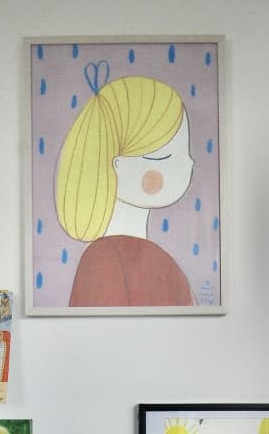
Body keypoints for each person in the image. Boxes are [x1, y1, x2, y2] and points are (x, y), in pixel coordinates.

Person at [55, 66, 195, 307]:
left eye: (185, 153)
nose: (190, 163)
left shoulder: (149, 258)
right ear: (118, 165)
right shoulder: (106, 259)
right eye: (164, 158)